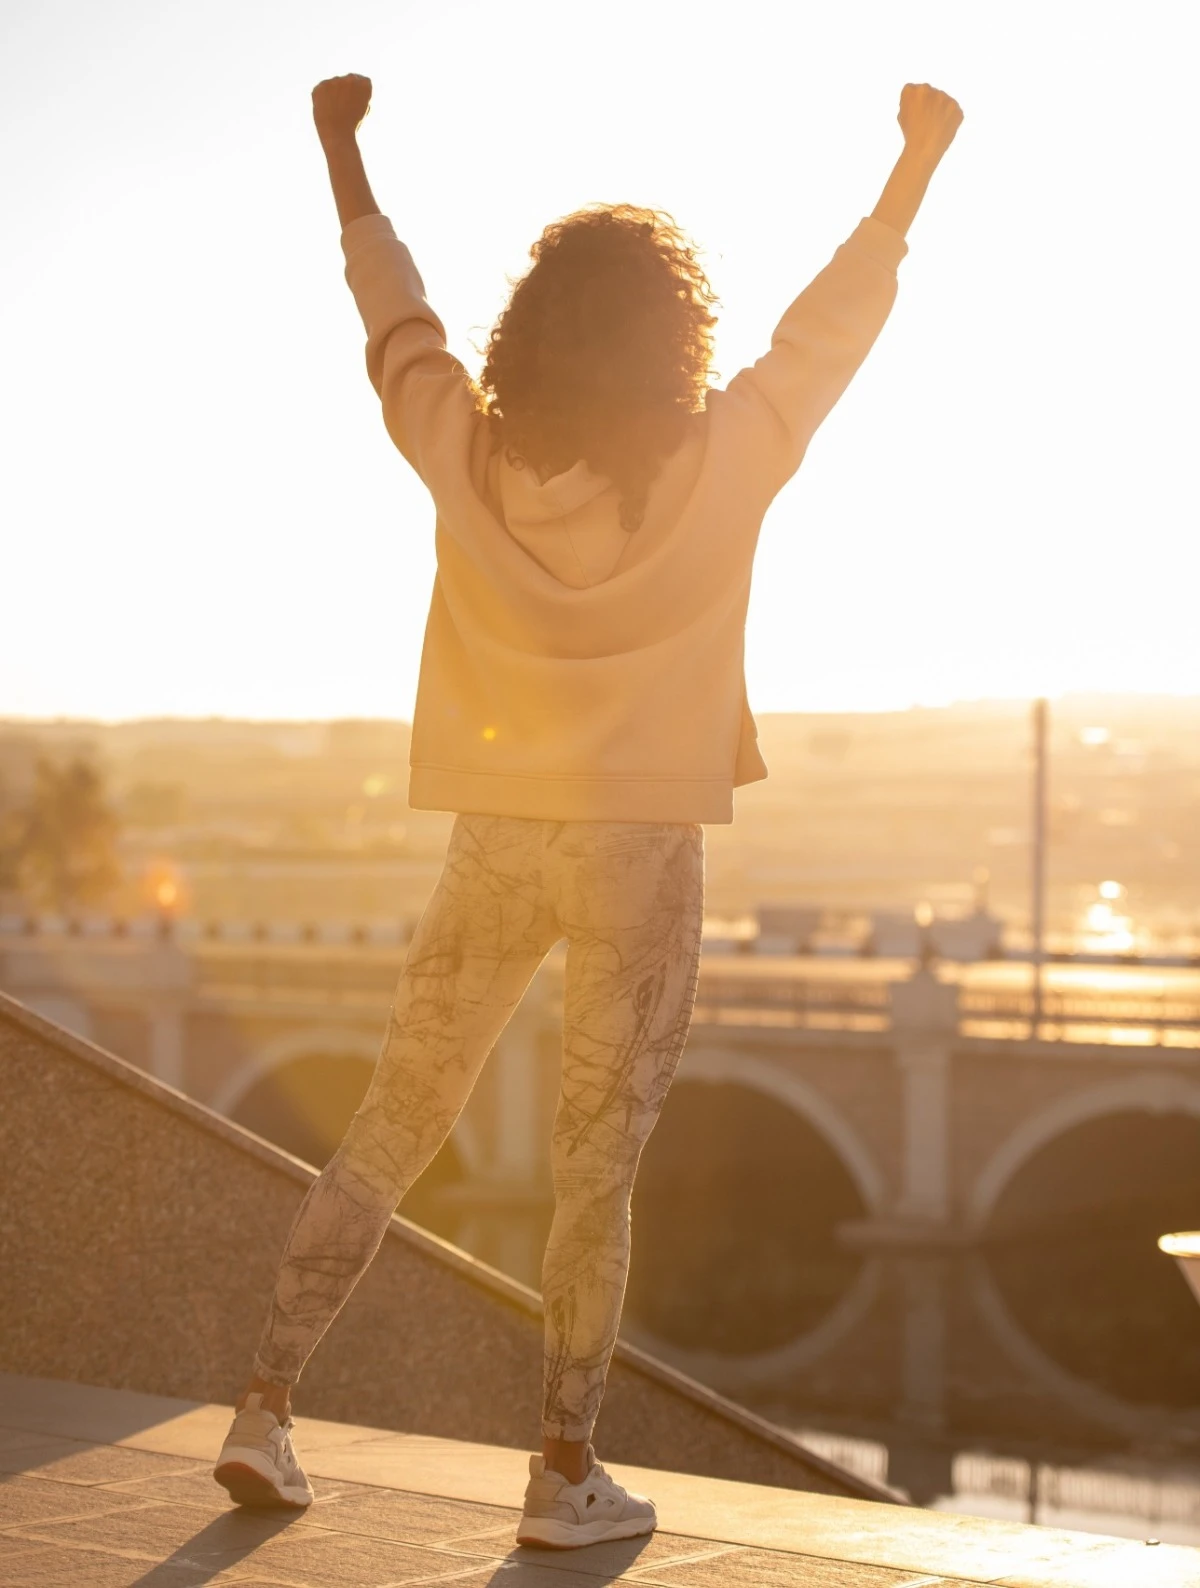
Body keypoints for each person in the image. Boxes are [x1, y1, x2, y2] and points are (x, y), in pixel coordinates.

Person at [214, 71, 962, 1547]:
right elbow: (831, 329)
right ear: (670, 338)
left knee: (390, 1120)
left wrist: (344, 156)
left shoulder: (467, 457)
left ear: (534, 332)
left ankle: (264, 1409)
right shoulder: (720, 461)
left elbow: (395, 323)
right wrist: (911, 171)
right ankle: (563, 1474)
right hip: (638, 847)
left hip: (495, 829)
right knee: (593, 1170)